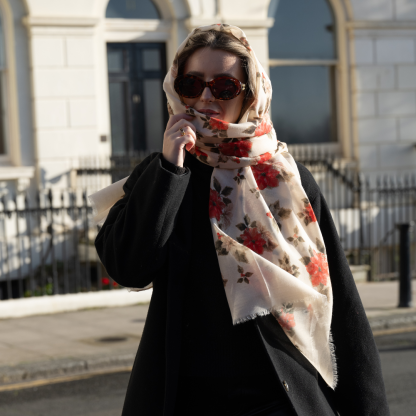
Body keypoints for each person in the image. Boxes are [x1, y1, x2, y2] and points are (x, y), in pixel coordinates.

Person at [94, 24, 390, 416]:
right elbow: (129, 267)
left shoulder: (287, 178)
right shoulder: (164, 174)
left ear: (250, 92)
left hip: (280, 398)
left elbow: (341, 305)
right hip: (187, 401)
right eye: (191, 83)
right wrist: (169, 170)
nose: (205, 97)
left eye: (224, 87)